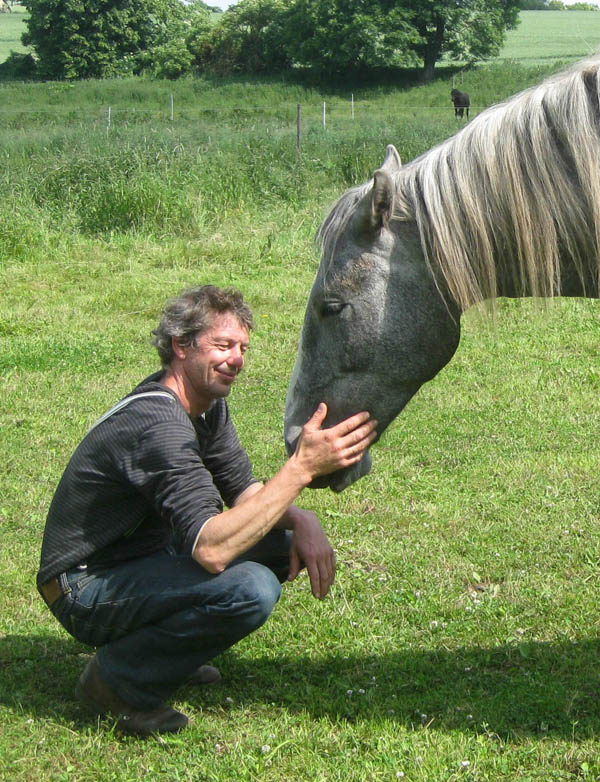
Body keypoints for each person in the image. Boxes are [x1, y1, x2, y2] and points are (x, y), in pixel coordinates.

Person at [37, 285, 377, 736]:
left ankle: (164, 657)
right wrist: (300, 470)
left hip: (141, 561)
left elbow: (242, 491)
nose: (236, 358)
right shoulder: (158, 425)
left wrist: (302, 518)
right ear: (181, 346)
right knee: (250, 588)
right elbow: (212, 550)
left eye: (241, 348)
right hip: (84, 585)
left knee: (278, 543)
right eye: (222, 345)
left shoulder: (206, 407)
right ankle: (117, 682)